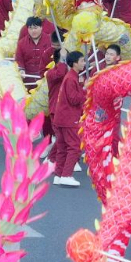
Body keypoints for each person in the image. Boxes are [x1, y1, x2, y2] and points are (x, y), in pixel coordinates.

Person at [52, 51, 86, 187]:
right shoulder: (71, 78)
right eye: (82, 61)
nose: (84, 63)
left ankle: (59, 175)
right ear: (75, 63)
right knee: (74, 147)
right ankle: (66, 175)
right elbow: (74, 99)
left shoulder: (70, 77)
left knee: (62, 147)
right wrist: (85, 90)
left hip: (61, 118)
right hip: (69, 118)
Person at [15, 16, 53, 89]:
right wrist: (21, 70)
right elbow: (19, 60)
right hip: (28, 80)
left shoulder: (50, 41)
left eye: (35, 28)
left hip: (45, 80)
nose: (33, 31)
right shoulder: (21, 43)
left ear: (41, 27)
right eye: (30, 28)